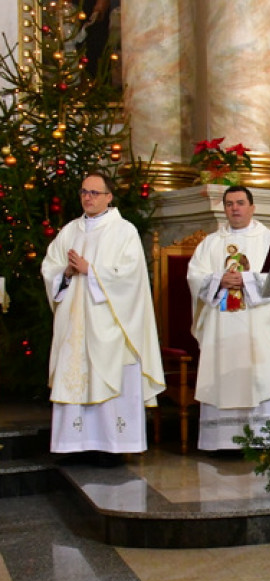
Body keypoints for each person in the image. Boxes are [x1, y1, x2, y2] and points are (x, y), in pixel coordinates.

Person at [41, 170, 165, 462]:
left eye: (94, 193)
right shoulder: (70, 230)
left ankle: (111, 447)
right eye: (84, 192)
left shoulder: (124, 231)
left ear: (109, 197)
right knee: (75, 376)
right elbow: (50, 269)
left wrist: (90, 271)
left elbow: (132, 277)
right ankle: (74, 446)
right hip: (74, 323)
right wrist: (66, 273)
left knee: (108, 378)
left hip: (110, 325)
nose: (88, 197)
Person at [187, 185, 270, 450]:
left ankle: (262, 439)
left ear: (252, 207)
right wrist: (220, 279)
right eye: (229, 204)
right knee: (221, 375)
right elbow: (195, 276)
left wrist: (247, 279)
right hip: (221, 326)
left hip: (257, 324)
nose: (235, 208)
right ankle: (222, 442)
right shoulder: (211, 242)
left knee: (259, 373)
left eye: (240, 203)